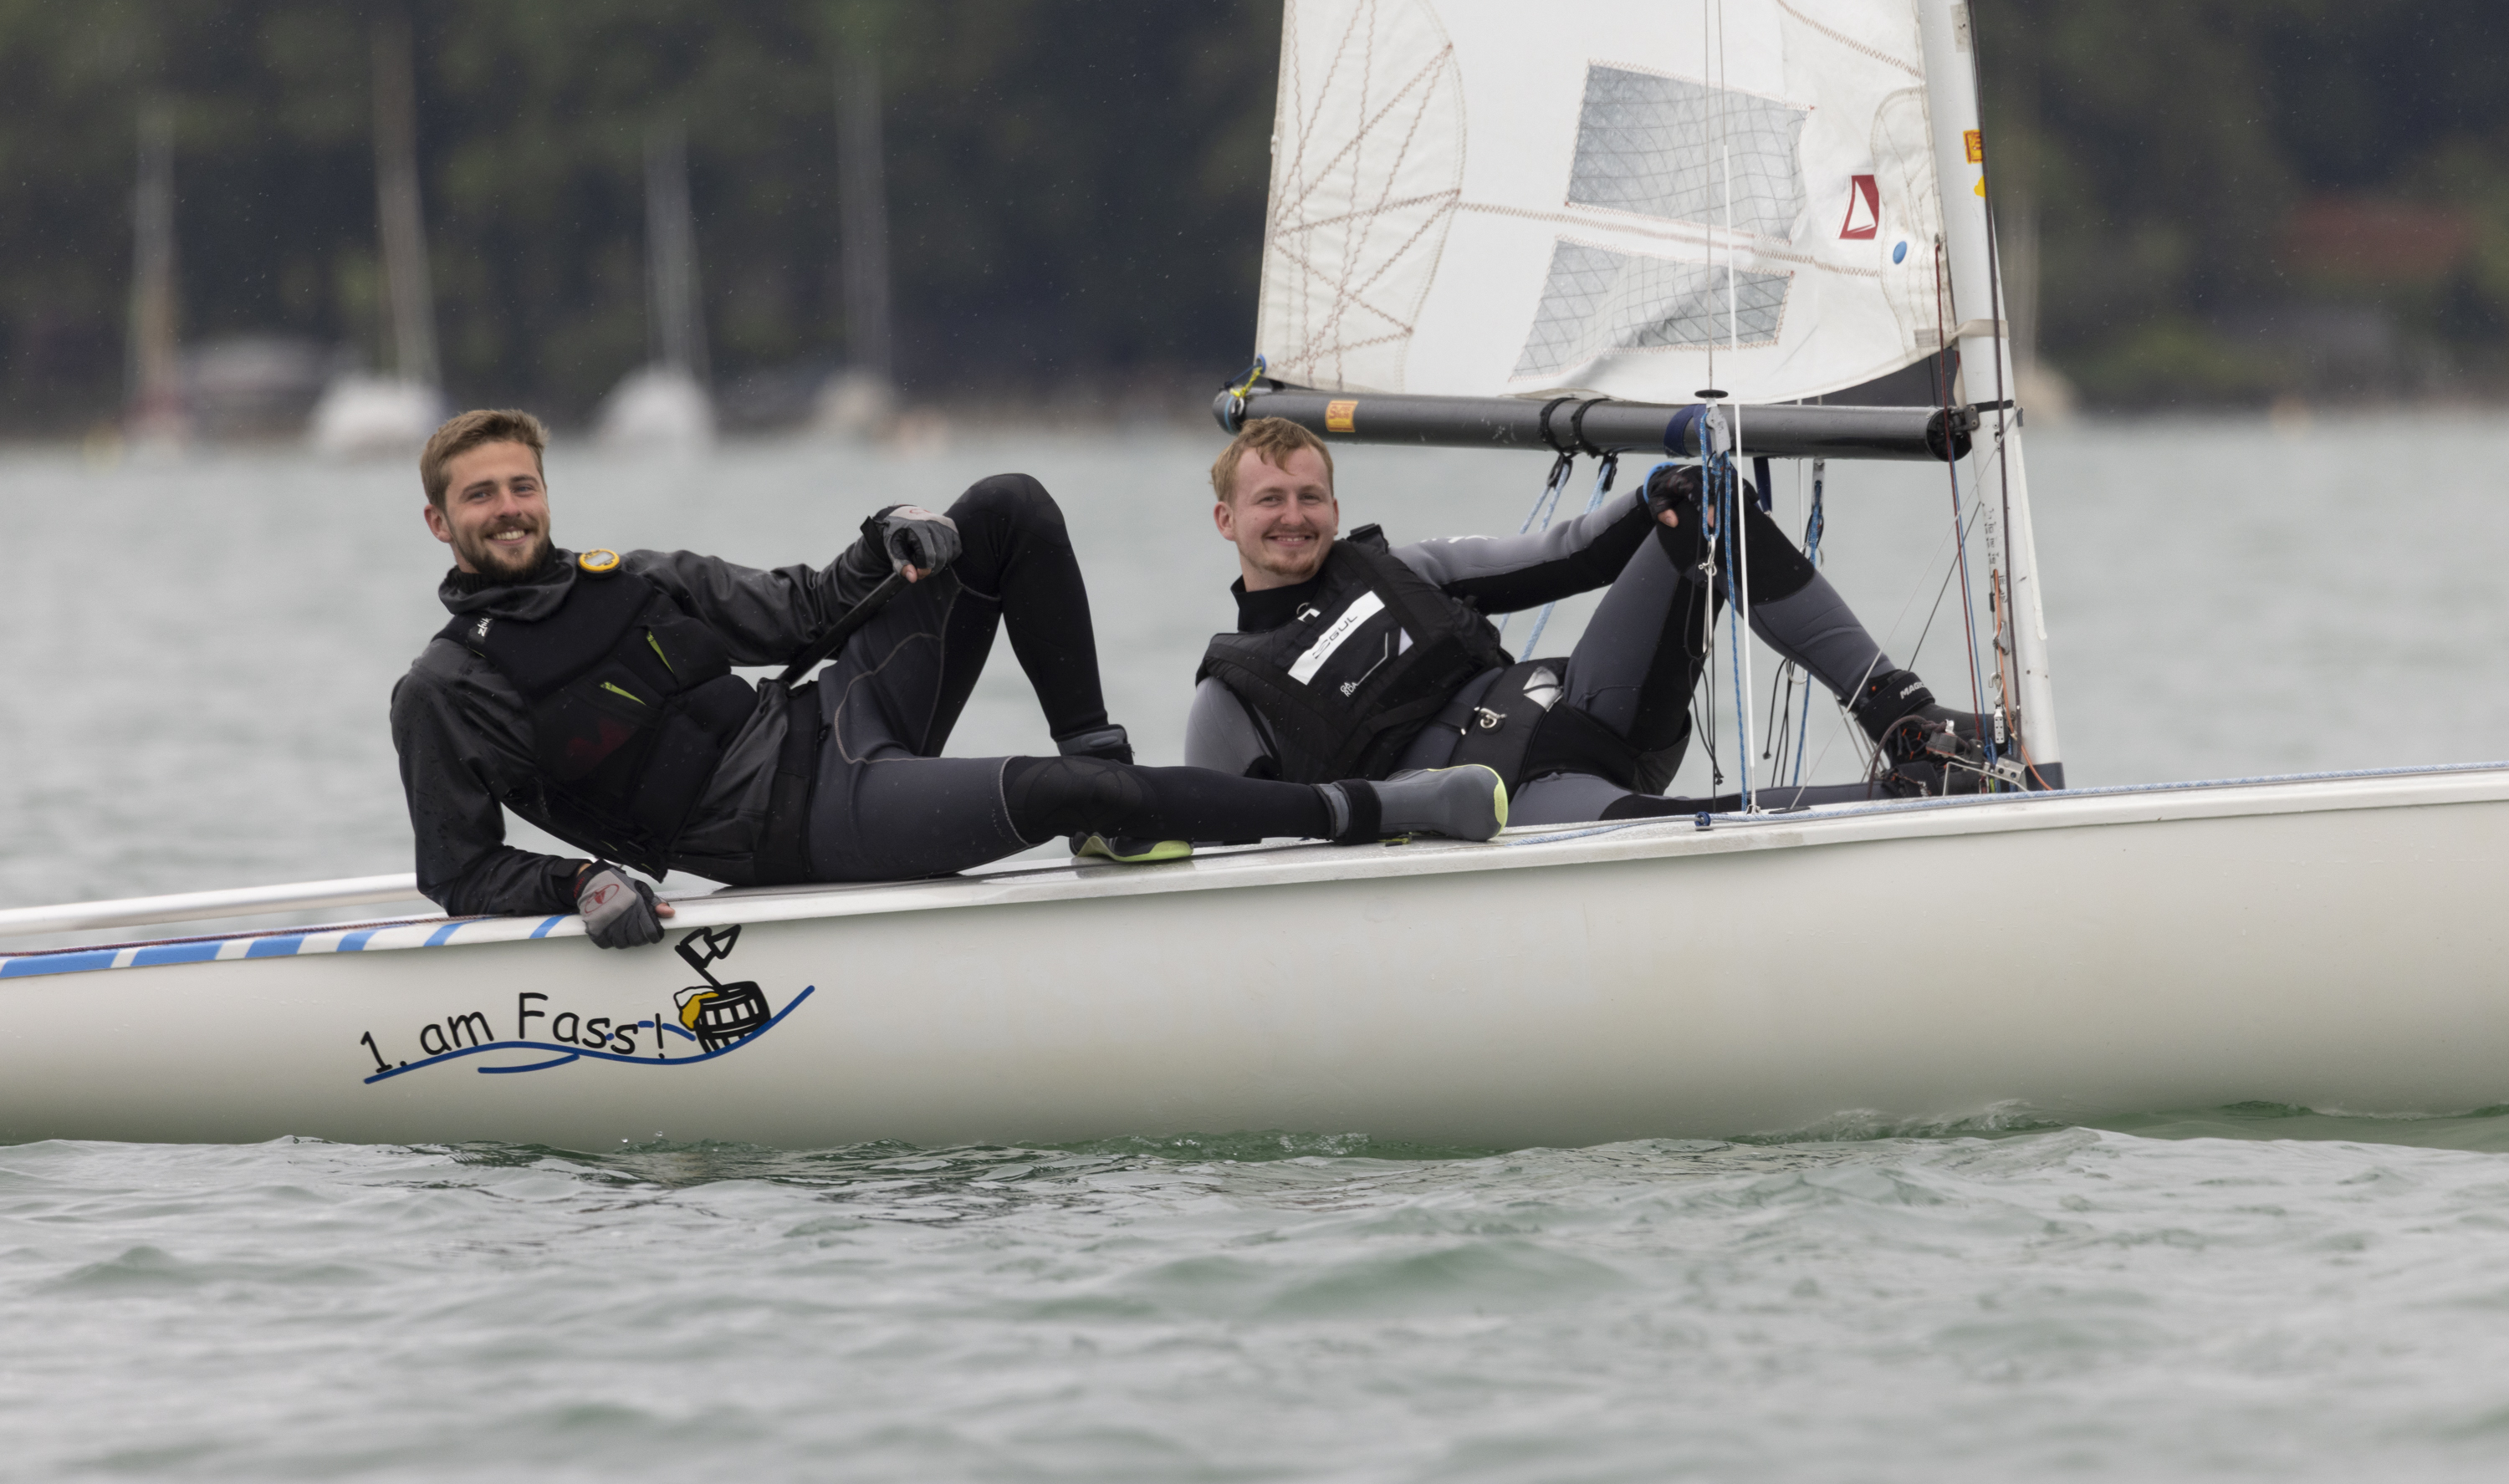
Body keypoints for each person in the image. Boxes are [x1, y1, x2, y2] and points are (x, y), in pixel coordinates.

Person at [392, 410, 1506, 949]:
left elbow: (802, 608)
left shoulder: (633, 579)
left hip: (835, 716)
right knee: (1062, 794)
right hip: (797, 828)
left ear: (546, 493)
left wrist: (890, 533)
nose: (509, 509)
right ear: (441, 522)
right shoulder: (445, 689)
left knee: (1007, 506)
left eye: (522, 486)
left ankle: (1108, 794)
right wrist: (582, 886)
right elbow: (460, 868)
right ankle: (1373, 811)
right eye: (481, 496)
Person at [1187, 416, 1998, 824]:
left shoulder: (1403, 569)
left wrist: (1649, 497)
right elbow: (1246, 845)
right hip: (1509, 806)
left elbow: (1566, 554)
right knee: (1696, 834)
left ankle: (1908, 724)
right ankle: (1913, 802)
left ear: (1334, 508)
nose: (1293, 516)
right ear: (1227, 521)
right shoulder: (1231, 697)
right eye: (1269, 500)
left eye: (1310, 497)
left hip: (1592, 707)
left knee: (1704, 498)